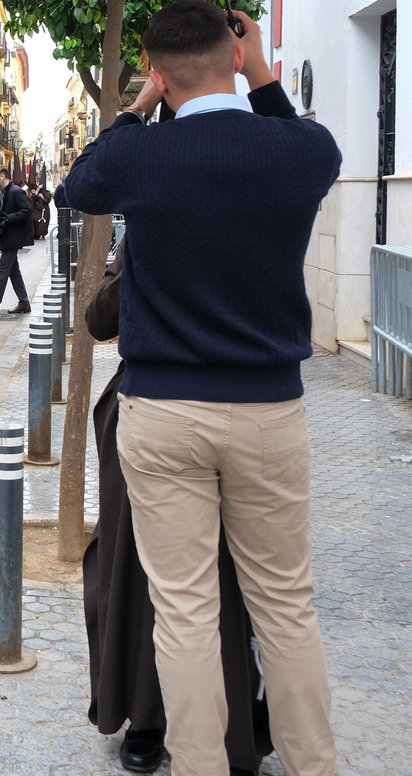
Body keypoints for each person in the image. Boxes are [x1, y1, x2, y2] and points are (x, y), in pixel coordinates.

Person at [65, 3, 341, 776]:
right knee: (286, 606)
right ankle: (314, 765)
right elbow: (310, 142)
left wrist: (138, 108)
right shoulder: (298, 149)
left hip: (164, 413)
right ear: (235, 54)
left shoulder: (144, 158)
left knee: (185, 613)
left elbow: (81, 183)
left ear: (157, 71)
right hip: (268, 411)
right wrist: (262, 76)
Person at [82, 240, 272, 775]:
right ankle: (148, 717)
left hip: (237, 402)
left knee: (230, 573)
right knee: (141, 566)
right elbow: (101, 317)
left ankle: (231, 732)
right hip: (151, 400)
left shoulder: (258, 210)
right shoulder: (152, 217)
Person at [0, 168, 34, 316]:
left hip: (13, 237)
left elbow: (26, 211)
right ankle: (24, 302)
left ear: (3, 176)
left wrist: (7, 218)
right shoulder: (2, 191)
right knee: (13, 271)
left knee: (3, 270)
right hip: (7, 236)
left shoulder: (15, 191)